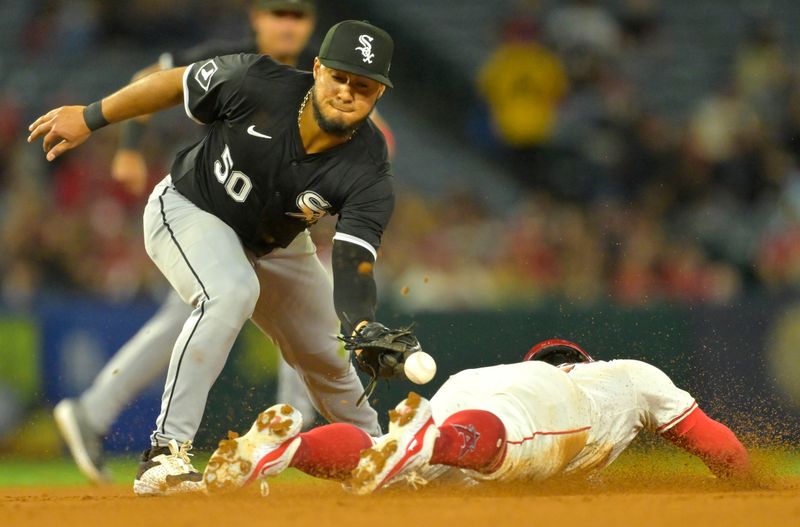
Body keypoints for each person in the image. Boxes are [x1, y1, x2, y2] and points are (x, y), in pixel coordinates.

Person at [30, 19, 403, 496]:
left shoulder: (369, 168)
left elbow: (354, 261)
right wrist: (91, 117)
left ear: (378, 97)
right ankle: (164, 455)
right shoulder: (257, 82)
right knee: (230, 292)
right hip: (189, 208)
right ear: (317, 69)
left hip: (276, 243)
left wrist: (362, 326)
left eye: (364, 86)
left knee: (328, 352)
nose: (348, 92)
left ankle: (379, 456)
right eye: (340, 76)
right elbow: (170, 82)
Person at [52, 0, 321, 486]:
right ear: (256, 18)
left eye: (297, 15)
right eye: (277, 13)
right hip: (213, 210)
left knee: (199, 316)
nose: (287, 24)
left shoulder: (321, 70)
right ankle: (273, 437)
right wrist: (131, 149)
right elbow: (147, 74)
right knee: (256, 311)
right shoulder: (231, 54)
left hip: (270, 223)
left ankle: (94, 412)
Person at [200, 339, 752, 495]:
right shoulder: (622, 376)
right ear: (577, 361)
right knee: (510, 435)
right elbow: (717, 445)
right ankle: (429, 442)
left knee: (379, 459)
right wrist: (746, 483)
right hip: (536, 409)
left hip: (465, 393)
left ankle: (289, 449)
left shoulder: (503, 370)